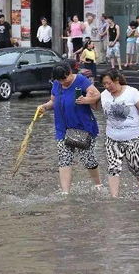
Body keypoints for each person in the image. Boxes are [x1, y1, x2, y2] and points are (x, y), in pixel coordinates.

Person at [38, 62, 102, 195]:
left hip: (82, 127)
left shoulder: (81, 81)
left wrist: (86, 100)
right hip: (62, 128)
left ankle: (98, 184)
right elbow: (53, 101)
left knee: (87, 158)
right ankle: (65, 192)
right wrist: (44, 107)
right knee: (64, 158)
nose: (63, 83)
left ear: (70, 72)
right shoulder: (57, 83)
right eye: (60, 80)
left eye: (64, 79)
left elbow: (97, 96)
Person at [97, 69, 139, 198]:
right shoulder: (103, 95)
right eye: (104, 84)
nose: (107, 87)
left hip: (133, 136)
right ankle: (114, 198)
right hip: (112, 137)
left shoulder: (132, 93)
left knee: (134, 165)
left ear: (116, 80)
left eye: (109, 83)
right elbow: (94, 105)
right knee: (113, 167)